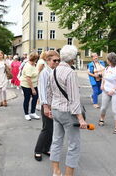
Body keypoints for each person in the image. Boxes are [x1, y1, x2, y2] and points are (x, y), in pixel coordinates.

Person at [47, 45, 87, 176]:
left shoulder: (53, 71)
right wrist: (81, 119)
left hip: (56, 110)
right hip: (68, 113)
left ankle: (56, 171)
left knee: (56, 141)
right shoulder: (70, 73)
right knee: (73, 145)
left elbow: (49, 92)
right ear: (73, 59)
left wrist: (48, 107)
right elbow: (74, 99)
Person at [34, 50, 60, 161]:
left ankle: (46, 148)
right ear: (48, 60)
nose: (57, 62)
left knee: (52, 128)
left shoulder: (56, 71)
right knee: (46, 128)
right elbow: (42, 90)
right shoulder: (45, 72)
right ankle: (38, 150)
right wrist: (45, 106)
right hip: (47, 104)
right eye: (55, 60)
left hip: (55, 104)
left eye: (59, 60)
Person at [98, 52, 116, 134]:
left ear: (110, 60)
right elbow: (104, 78)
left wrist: (113, 89)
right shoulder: (107, 68)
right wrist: (102, 85)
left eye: (107, 59)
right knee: (103, 108)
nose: (106, 60)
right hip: (106, 91)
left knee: (115, 110)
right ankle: (101, 119)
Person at [20, 52, 40, 121]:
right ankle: (26, 114)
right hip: (26, 85)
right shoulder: (28, 66)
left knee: (35, 98)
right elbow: (28, 79)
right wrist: (33, 89)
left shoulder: (34, 64)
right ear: (35, 59)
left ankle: (32, 112)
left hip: (34, 84)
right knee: (27, 99)